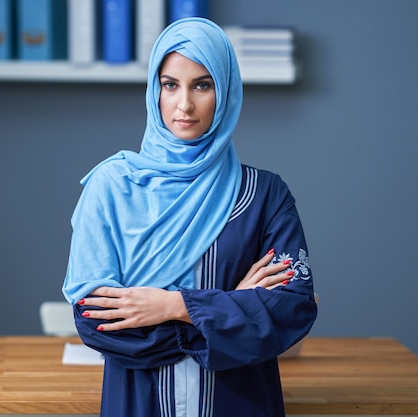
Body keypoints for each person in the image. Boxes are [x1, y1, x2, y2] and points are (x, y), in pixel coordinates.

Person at [62, 17, 317, 417]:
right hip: (138, 403)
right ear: (154, 90)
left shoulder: (265, 195)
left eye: (203, 84)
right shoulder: (112, 186)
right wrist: (230, 306)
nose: (184, 104)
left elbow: (290, 310)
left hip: (241, 405)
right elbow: (96, 321)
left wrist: (174, 305)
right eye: (170, 85)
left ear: (226, 90)